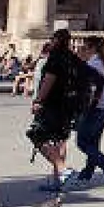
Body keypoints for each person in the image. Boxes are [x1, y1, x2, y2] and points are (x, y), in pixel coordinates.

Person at [26, 28, 89, 193]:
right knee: (60, 140)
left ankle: (63, 170)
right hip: (69, 106)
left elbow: (49, 80)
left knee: (36, 135)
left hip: (52, 104)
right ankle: (59, 180)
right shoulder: (73, 59)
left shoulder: (56, 58)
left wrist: (38, 100)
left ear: (55, 40)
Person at [70, 35, 104, 187]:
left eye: (84, 47)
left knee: (82, 142)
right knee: (93, 142)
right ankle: (87, 173)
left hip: (96, 107)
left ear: (91, 48)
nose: (82, 50)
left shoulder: (93, 63)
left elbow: (92, 87)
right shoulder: (103, 61)